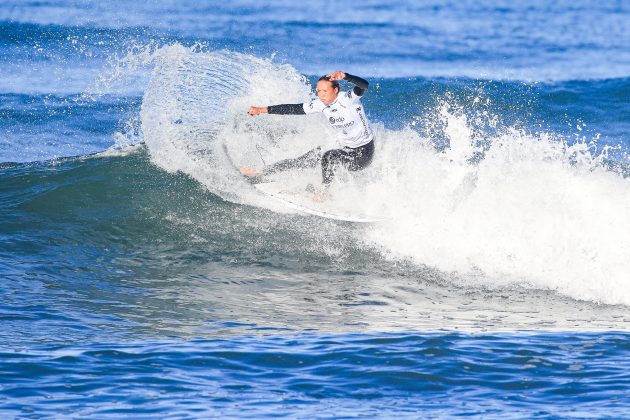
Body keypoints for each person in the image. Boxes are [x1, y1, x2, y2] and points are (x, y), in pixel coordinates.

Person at [244, 70, 375, 201]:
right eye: (318, 91)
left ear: (335, 90)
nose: (321, 95)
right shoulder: (320, 104)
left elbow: (364, 85)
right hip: (344, 148)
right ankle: (262, 172)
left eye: (325, 91)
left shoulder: (348, 99)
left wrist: (346, 76)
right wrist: (261, 110)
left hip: (363, 154)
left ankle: (323, 193)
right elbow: (293, 109)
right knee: (306, 159)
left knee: (330, 156)